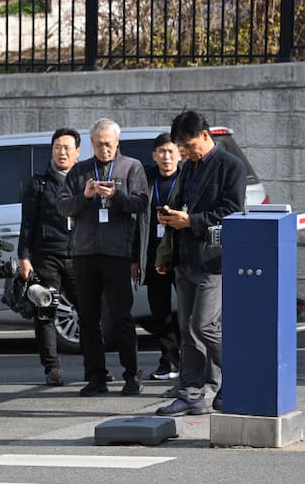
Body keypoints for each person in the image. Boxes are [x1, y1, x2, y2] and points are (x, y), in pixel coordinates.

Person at [155, 110, 246, 416]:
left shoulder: (230, 166)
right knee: (187, 330)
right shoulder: (189, 168)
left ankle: (238, 378)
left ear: (206, 136)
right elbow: (185, 204)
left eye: (189, 145)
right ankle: (191, 393)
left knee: (204, 325)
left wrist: (190, 221)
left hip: (214, 260)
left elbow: (232, 213)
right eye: (182, 147)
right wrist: (171, 216)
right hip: (185, 258)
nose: (186, 152)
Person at [57, 118, 148, 396]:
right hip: (85, 253)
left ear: (117, 142)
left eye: (108, 144)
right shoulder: (80, 170)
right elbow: (62, 206)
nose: (104, 149)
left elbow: (142, 204)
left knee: (121, 316)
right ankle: (95, 375)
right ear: (91, 143)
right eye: (98, 144)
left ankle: (132, 375)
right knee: (88, 317)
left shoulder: (132, 167)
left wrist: (117, 195)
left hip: (117, 252)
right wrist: (84, 197)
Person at [17, 128, 81, 386]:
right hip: (47, 257)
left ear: (77, 152)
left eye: (67, 147)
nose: (62, 152)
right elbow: (27, 224)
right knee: (46, 311)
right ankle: (52, 369)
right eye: (57, 147)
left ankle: (95, 369)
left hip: (78, 255)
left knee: (88, 312)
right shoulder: (39, 183)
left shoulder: (85, 180)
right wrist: (24, 257)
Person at [136, 133, 182, 381]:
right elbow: (136, 223)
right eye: (161, 152)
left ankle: (190, 359)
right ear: (154, 155)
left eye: (171, 151)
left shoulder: (187, 178)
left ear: (179, 154)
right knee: (159, 310)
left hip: (182, 253)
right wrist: (136, 259)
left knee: (188, 311)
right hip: (154, 254)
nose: (166, 157)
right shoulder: (146, 179)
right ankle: (168, 361)